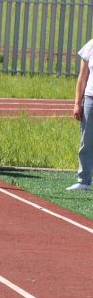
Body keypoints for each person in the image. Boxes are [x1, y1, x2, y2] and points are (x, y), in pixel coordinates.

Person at [68, 39, 93, 190]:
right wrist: (77, 103)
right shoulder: (91, 45)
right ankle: (83, 180)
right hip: (91, 98)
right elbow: (82, 77)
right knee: (87, 140)